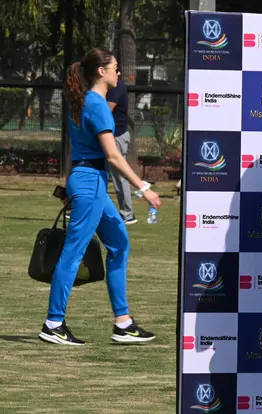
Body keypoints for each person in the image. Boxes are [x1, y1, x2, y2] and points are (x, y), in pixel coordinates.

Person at [39, 48, 161, 346]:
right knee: (73, 251)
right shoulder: (95, 104)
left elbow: (75, 151)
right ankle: (53, 323)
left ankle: (123, 323)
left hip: (89, 182)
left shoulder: (85, 102)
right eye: (115, 68)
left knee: (119, 243)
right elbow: (113, 156)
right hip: (91, 183)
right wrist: (143, 188)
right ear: (101, 72)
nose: (119, 73)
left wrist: (69, 183)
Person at [106, 74, 137, 224]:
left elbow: (106, 109)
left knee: (120, 175)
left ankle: (127, 214)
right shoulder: (108, 85)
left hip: (116, 135)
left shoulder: (116, 85)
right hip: (109, 134)